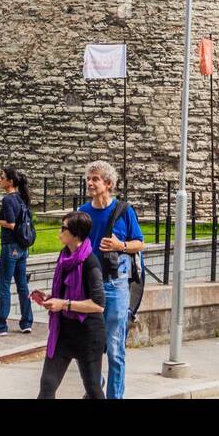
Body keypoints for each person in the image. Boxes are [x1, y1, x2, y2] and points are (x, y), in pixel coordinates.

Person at [79, 160, 144, 399]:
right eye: (89, 178)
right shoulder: (84, 212)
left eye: (95, 179)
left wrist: (121, 245)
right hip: (89, 285)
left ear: (108, 183)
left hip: (115, 284)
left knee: (115, 349)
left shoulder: (124, 211)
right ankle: (96, 388)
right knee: (89, 346)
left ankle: (115, 396)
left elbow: (140, 242)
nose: (90, 182)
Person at [36, 210, 106, 399]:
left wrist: (64, 304)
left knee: (92, 388)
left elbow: (99, 305)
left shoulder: (91, 263)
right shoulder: (64, 256)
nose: (59, 231)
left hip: (88, 335)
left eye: (63, 228)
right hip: (63, 332)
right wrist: (50, 298)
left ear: (76, 233)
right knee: (47, 385)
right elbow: (65, 292)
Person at [0, 165, 33, 336]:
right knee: (22, 285)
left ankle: (0, 324)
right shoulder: (22, 198)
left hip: (10, 245)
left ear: (10, 182)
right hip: (23, 246)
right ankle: (26, 321)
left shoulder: (8, 200)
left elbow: (11, 224)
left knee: (4, 285)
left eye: (2, 177)